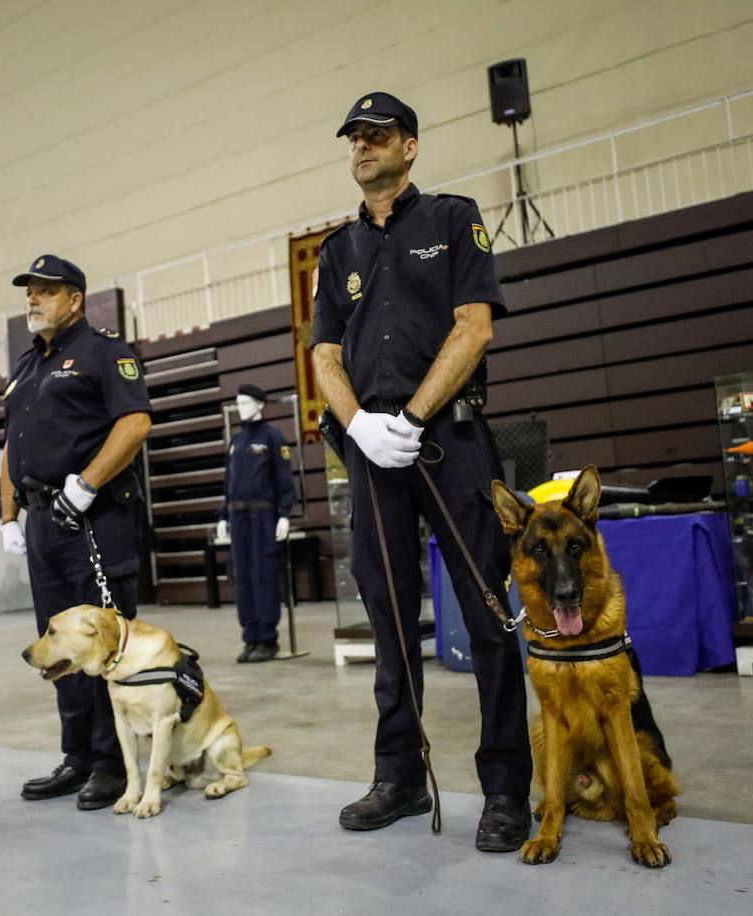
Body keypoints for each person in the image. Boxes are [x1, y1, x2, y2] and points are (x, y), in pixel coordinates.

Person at [309, 92, 532, 851]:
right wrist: (363, 426)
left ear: (409, 146)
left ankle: (506, 788)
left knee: (486, 615)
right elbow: (325, 355)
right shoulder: (337, 251)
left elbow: (476, 326)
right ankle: (399, 776)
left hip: (450, 440)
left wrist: (411, 416)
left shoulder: (451, 219)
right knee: (390, 616)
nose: (361, 148)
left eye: (376, 136)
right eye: (353, 140)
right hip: (372, 453)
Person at [0, 254, 153, 810]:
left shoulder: (103, 351)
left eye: (45, 291)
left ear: (75, 299)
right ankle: (78, 757)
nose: (33, 300)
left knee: (103, 645)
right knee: (58, 647)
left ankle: (114, 763)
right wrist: (8, 515)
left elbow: (135, 422)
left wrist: (87, 484)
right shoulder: (24, 367)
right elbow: (13, 442)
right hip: (42, 521)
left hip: (94, 517)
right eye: (29, 292)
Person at [215, 384, 296, 663]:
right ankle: (250, 636)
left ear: (260, 404)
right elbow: (229, 483)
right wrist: (223, 515)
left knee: (264, 575)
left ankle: (267, 639)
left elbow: (284, 478)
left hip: (263, 516)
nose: (242, 407)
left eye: (246, 402)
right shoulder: (235, 441)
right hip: (239, 518)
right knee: (244, 577)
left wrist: (285, 514)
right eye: (238, 403)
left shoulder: (272, 437)